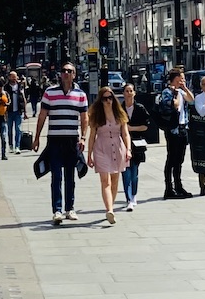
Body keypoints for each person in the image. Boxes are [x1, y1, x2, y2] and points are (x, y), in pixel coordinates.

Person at [32, 62, 88, 225]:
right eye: (63, 70)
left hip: (72, 140)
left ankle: (69, 208)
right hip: (55, 139)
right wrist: (37, 138)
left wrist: (83, 137)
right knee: (56, 175)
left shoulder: (80, 95)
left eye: (69, 71)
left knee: (70, 175)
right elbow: (42, 116)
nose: (66, 73)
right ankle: (57, 210)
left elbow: (84, 118)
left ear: (74, 75)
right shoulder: (50, 93)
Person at [87, 87, 131, 224]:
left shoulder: (119, 113)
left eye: (110, 98)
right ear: (101, 100)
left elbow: (125, 133)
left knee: (115, 179)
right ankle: (109, 209)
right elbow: (92, 136)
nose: (108, 101)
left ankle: (110, 205)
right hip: (101, 148)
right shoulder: (96, 115)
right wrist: (89, 155)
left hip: (117, 148)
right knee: (105, 180)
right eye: (105, 99)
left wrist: (128, 149)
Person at [160, 68, 195, 199]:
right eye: (182, 78)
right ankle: (169, 188)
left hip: (182, 128)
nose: (184, 80)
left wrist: (184, 89)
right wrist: (176, 93)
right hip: (172, 129)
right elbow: (174, 105)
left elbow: (191, 100)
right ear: (176, 79)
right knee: (171, 159)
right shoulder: (167, 92)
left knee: (179, 160)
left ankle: (179, 186)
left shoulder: (181, 91)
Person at [121, 83, 150, 211]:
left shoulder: (140, 108)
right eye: (126, 91)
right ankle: (128, 198)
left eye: (131, 91)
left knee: (134, 172)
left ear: (134, 93)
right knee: (125, 173)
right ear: (123, 93)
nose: (129, 93)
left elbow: (146, 126)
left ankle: (133, 195)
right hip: (122, 144)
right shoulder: (119, 108)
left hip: (137, 143)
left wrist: (131, 128)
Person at [4, 71, 28, 154]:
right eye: (12, 77)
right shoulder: (6, 87)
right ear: (9, 77)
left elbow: (24, 98)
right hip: (9, 112)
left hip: (18, 111)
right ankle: (11, 145)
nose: (14, 79)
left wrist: (25, 112)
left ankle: (17, 146)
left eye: (15, 77)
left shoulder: (20, 86)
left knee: (18, 129)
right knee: (9, 130)